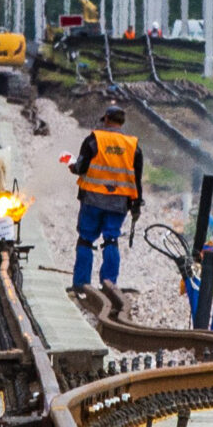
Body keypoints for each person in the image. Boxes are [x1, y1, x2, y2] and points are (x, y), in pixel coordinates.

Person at [69, 103, 143, 291]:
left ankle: (81, 284)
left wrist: (72, 167)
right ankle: (109, 283)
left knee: (85, 239)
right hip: (119, 202)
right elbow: (137, 179)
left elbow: (80, 167)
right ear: (122, 122)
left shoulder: (94, 140)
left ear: (107, 120)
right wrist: (136, 205)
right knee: (111, 239)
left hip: (92, 200)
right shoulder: (133, 145)